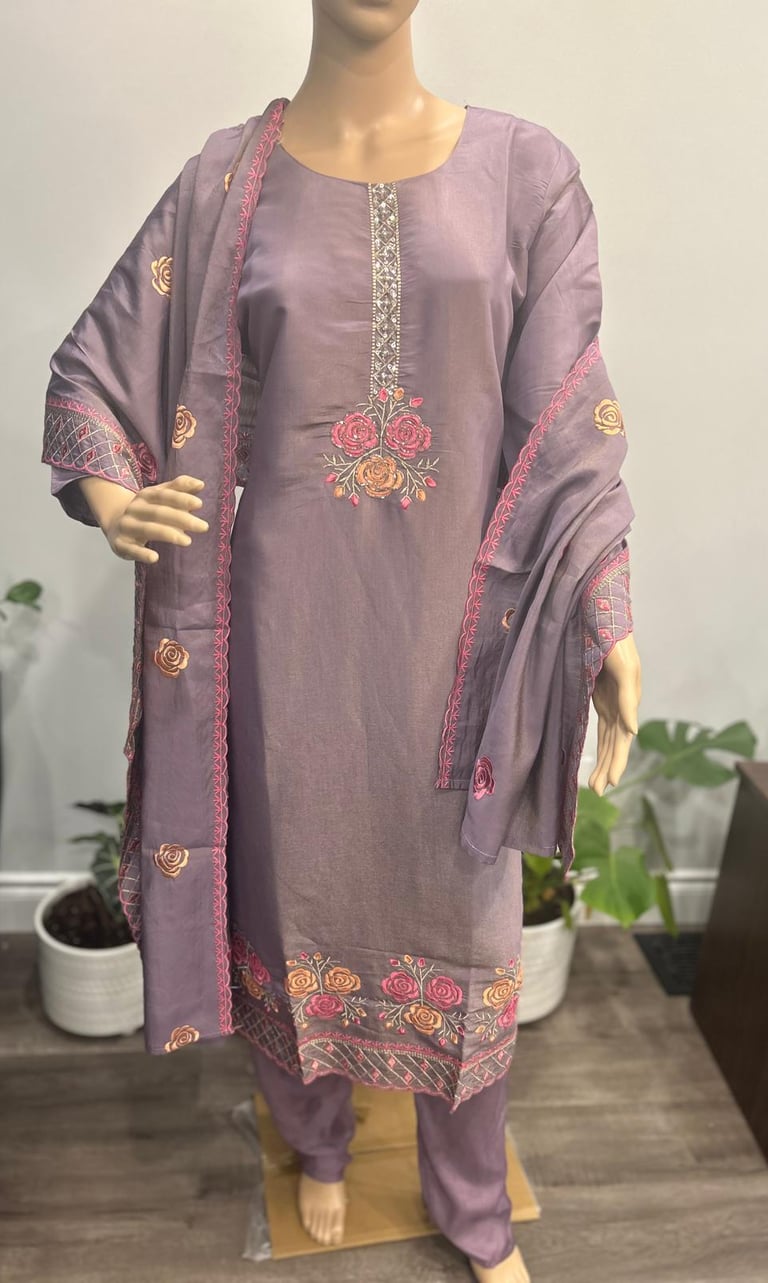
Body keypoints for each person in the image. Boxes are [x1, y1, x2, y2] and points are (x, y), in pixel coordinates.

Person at [40, 4, 642, 1279]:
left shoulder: (527, 173)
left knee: (463, 920)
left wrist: (606, 614)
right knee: (294, 902)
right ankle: (314, 1140)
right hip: (282, 645)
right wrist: (115, 498)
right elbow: (91, 371)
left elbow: (568, 421)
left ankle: (472, 1207)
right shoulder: (222, 183)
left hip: (457, 645)